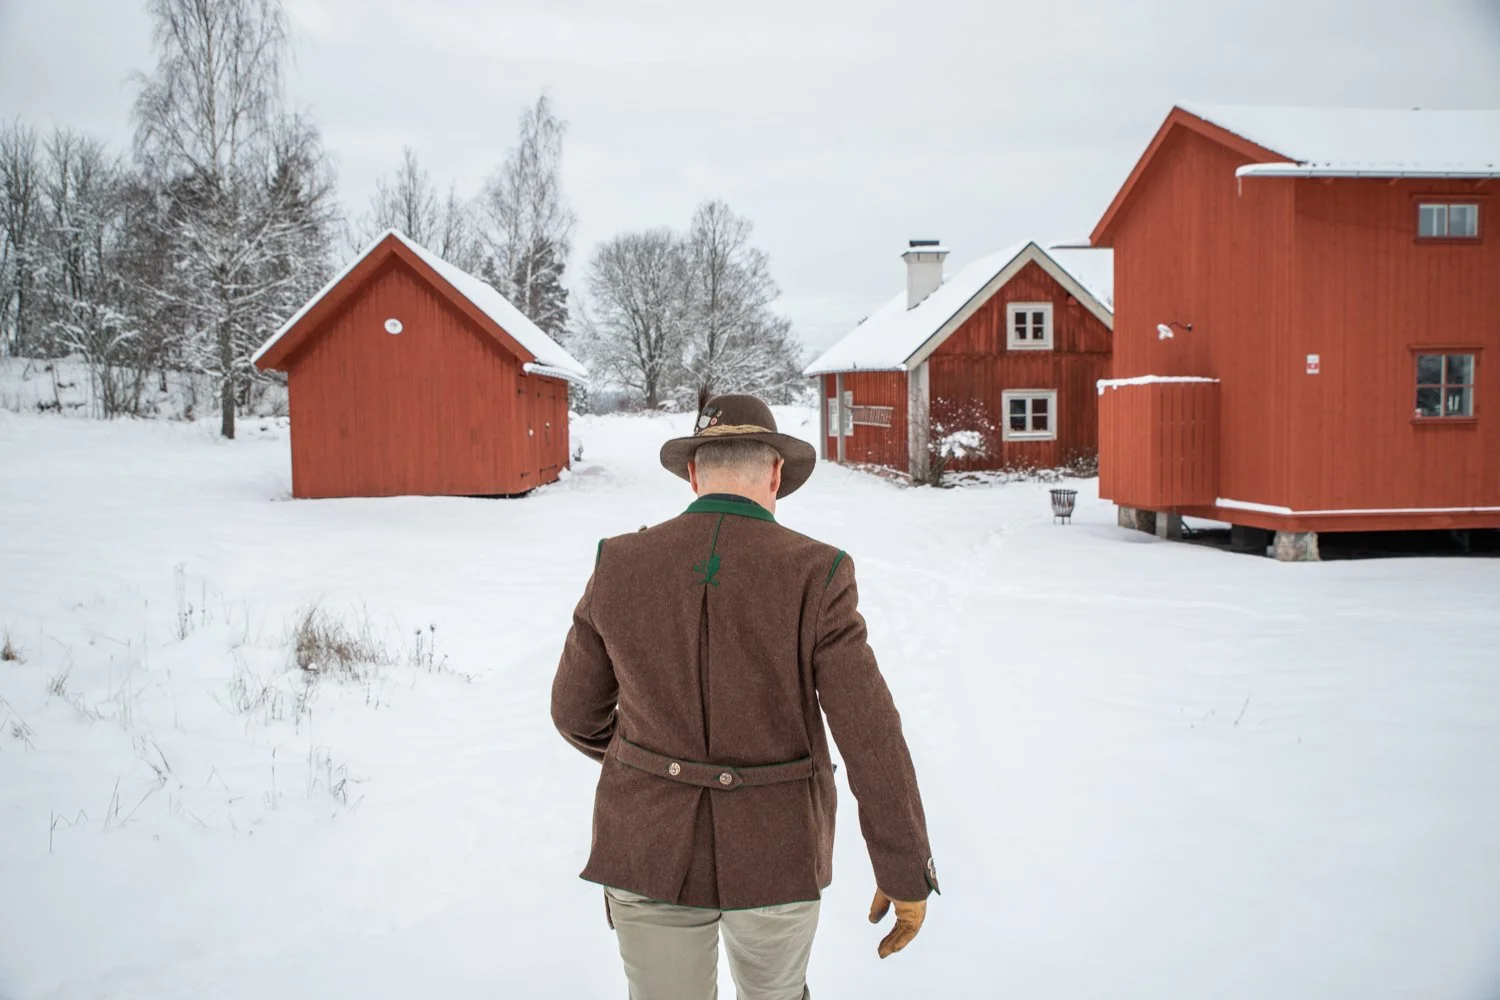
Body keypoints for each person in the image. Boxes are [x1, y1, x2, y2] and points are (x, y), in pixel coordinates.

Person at [552, 393, 937, 1000]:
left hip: (645, 845)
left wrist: (651, 768)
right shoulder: (818, 571)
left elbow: (573, 714)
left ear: (694, 473)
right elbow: (870, 734)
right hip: (777, 851)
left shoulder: (619, 562)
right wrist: (904, 865)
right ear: (777, 473)